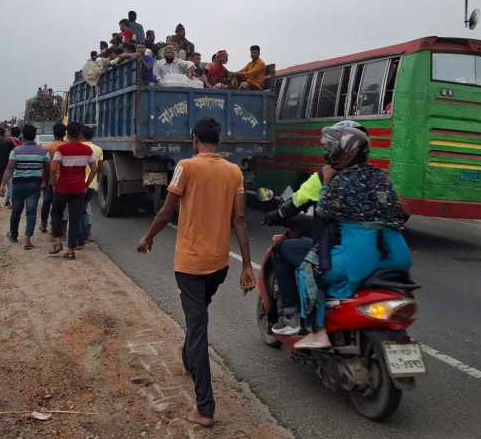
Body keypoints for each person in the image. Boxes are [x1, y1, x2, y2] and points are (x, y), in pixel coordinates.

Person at [137, 117, 256, 428]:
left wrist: (149, 237)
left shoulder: (185, 167)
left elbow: (166, 210)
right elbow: (240, 219)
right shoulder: (234, 171)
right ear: (219, 141)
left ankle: (205, 408)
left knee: (198, 324)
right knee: (198, 315)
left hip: (190, 264)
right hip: (219, 265)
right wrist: (245, 265)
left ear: (194, 140)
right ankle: (189, 359)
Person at [294, 126, 411, 349]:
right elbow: (397, 211)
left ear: (345, 151)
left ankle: (318, 332)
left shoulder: (341, 181)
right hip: (398, 254)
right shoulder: (380, 177)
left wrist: (325, 185)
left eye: (331, 148)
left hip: (361, 256)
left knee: (307, 268)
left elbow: (322, 212)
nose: (328, 153)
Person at [264, 121, 369, 335]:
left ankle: (291, 316)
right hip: (374, 254)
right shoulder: (374, 179)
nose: (326, 152)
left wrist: (274, 215)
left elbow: (296, 203)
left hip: (336, 252)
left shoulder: (328, 181)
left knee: (282, 250)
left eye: (330, 147)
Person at [49, 122, 97, 260]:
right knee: (74, 218)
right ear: (80, 134)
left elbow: (53, 169)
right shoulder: (88, 151)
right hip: (78, 189)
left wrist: (54, 184)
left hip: (63, 188)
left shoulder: (62, 149)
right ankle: (71, 250)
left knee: (56, 213)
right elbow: (94, 169)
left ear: (67, 134)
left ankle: (58, 241)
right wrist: (86, 184)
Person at [0, 124, 50, 250]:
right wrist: (46, 183)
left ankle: (14, 235)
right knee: (31, 211)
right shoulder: (43, 151)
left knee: (16, 210)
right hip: (35, 184)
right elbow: (47, 170)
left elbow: (10, 168)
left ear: (23, 136)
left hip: (18, 184)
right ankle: (27, 240)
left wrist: (3, 184)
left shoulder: (16, 151)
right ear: (34, 136)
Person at [40, 122, 67, 234]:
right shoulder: (67, 147)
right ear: (65, 133)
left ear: (53, 134)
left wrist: (43, 182)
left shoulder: (47, 147)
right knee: (59, 206)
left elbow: (44, 166)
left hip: (50, 179)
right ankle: (54, 227)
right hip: (63, 180)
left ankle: (43, 224)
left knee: (46, 202)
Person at [78, 126, 103, 247]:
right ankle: (88, 234)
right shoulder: (98, 149)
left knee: (79, 210)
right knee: (86, 209)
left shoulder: (79, 148)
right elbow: (101, 168)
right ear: (92, 137)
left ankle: (81, 237)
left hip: (78, 184)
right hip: (92, 184)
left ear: (80, 135)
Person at [4, 126, 24, 207]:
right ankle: (7, 200)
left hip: (8, 165)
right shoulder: (21, 144)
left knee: (10, 183)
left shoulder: (6, 141)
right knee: (11, 183)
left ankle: (12, 201)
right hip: (18, 165)